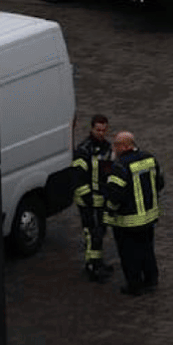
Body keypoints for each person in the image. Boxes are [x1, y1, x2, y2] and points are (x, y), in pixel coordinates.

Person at [105, 131, 165, 296]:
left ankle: (134, 286)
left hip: (128, 221)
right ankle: (151, 279)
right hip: (149, 217)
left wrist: (108, 209)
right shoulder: (149, 159)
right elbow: (159, 183)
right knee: (147, 250)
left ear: (125, 146)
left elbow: (115, 195)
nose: (114, 149)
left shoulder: (120, 166)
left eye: (116, 145)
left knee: (129, 255)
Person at [69, 114, 115, 283]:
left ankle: (98, 262)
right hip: (88, 200)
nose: (101, 133)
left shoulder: (107, 148)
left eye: (104, 130)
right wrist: (87, 196)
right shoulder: (84, 150)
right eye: (98, 130)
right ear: (91, 129)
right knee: (91, 233)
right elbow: (77, 176)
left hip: (101, 199)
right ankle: (92, 266)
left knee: (100, 232)